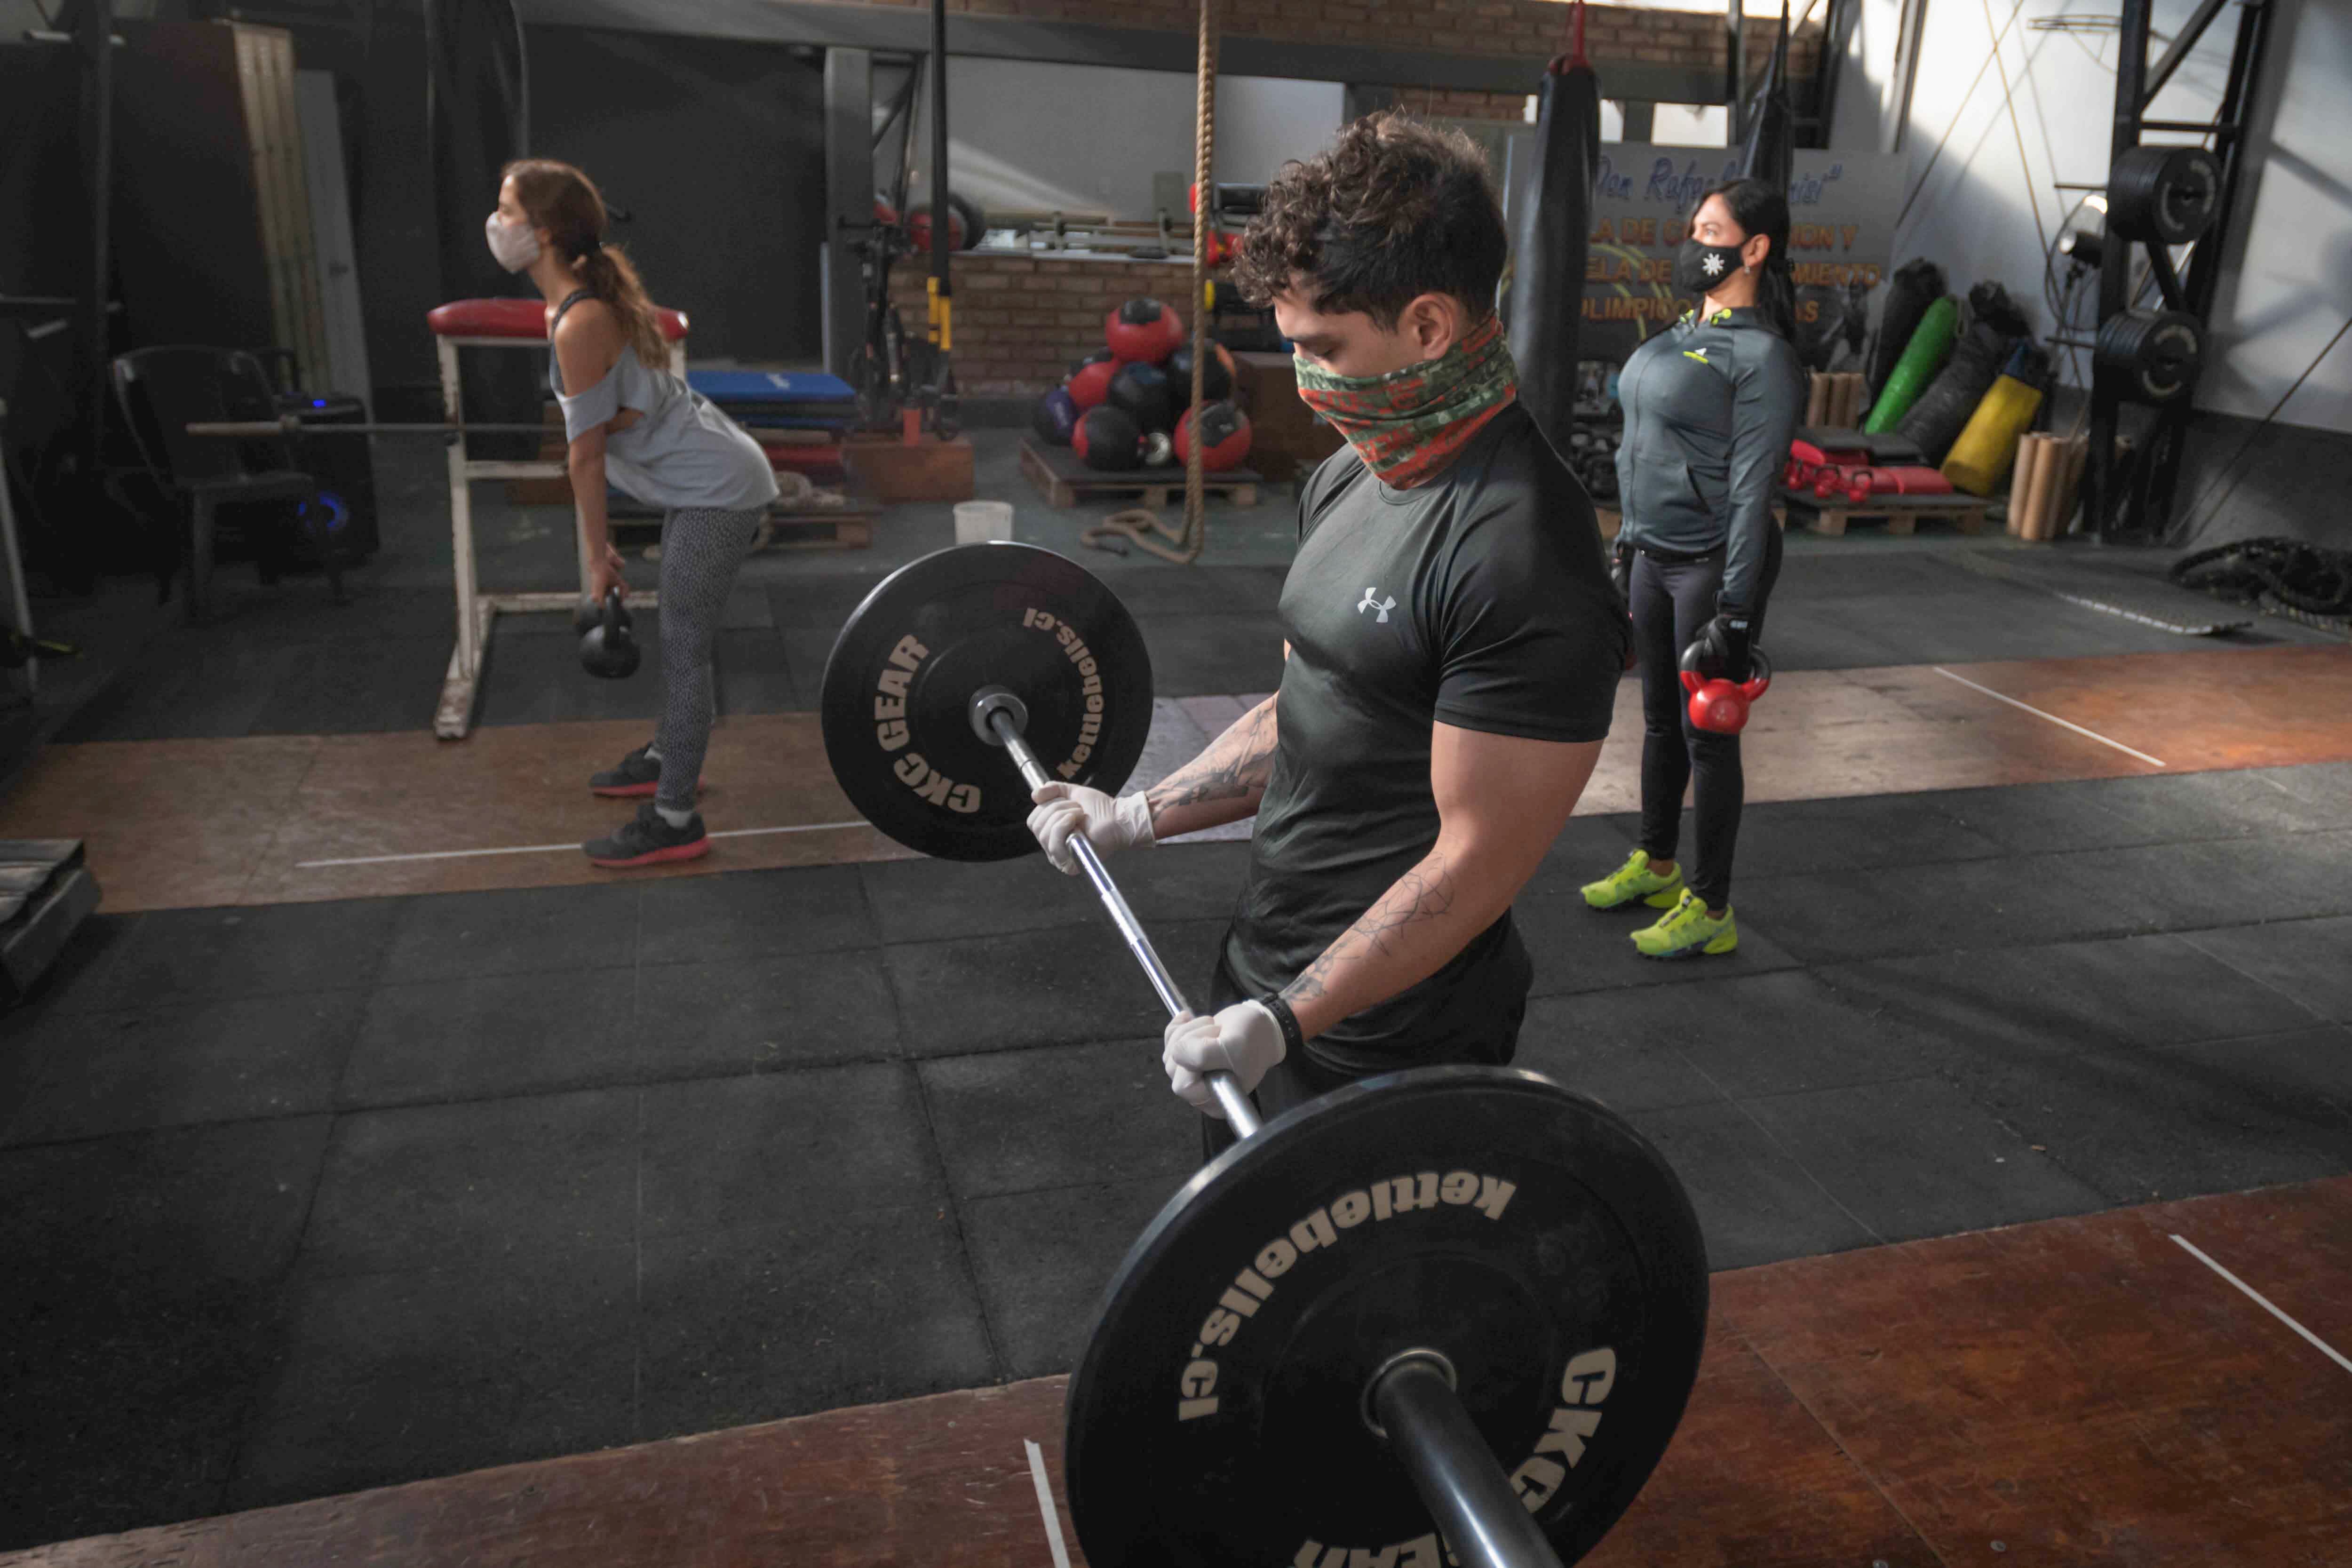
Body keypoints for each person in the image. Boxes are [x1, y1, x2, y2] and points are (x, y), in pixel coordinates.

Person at [1024, 114, 1627, 1149]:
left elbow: (1481, 860)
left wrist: (1292, 1014)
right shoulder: (1355, 469)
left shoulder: (1522, 549)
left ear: (1430, 326)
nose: (1304, 377)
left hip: (1398, 1027)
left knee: (1372, 1304)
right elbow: (1310, 705)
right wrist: (1139, 814)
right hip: (1270, 968)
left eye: (1322, 347)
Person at [486, 160, 781, 868]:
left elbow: (584, 459)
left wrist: (597, 558)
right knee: (679, 633)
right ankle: (665, 756)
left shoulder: (579, 319)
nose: (497, 224)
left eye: (507, 210)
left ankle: (676, 815)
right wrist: (603, 544)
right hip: (697, 480)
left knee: (683, 643)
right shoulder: (574, 306)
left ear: (546, 231)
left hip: (719, 488)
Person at [1580, 179, 1805, 957]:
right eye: (1692, 227)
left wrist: (1736, 611)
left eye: (1710, 230)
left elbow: (1752, 494)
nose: (1692, 243)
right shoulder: (1680, 337)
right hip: (1649, 552)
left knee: (1708, 732)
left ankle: (1712, 906)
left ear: (1754, 248)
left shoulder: (1763, 358)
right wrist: (1625, 544)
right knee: (1655, 723)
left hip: (1713, 563)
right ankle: (1658, 860)